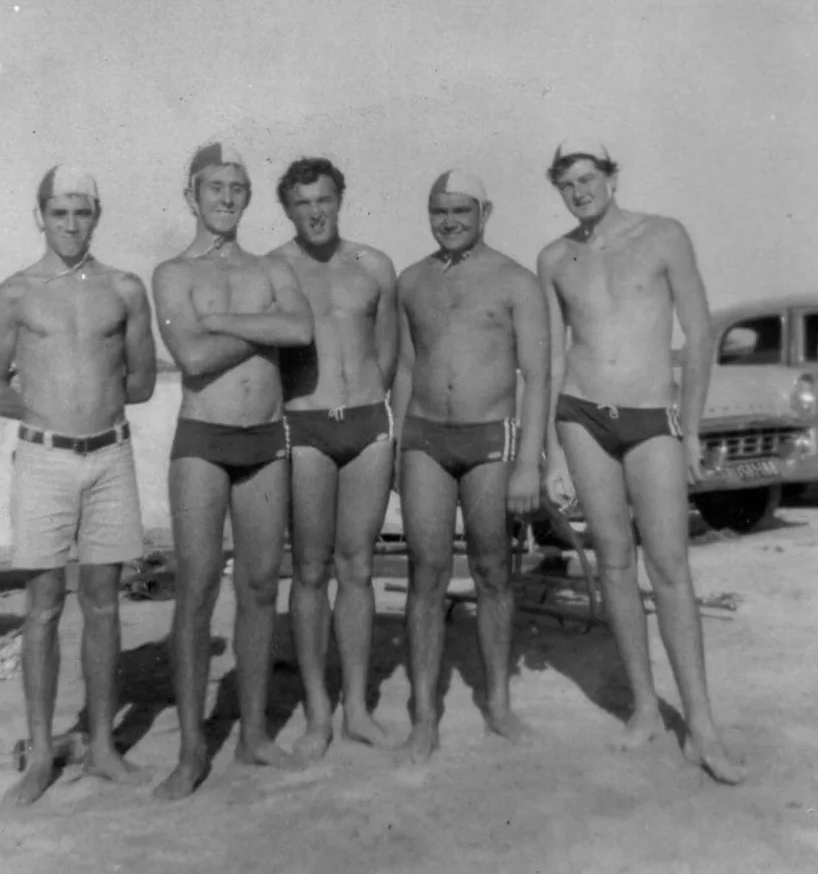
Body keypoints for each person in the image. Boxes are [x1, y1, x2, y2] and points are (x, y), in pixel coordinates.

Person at [538, 138, 746, 785]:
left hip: (651, 414)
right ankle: (643, 708)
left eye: (587, 177)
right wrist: (549, 451)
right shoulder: (554, 257)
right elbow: (548, 357)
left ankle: (703, 725)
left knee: (670, 564)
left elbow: (699, 329)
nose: (578, 190)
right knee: (614, 559)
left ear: (610, 175)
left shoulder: (662, 235)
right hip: (580, 414)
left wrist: (689, 432)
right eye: (566, 183)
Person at [151, 143, 314, 800]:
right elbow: (190, 357)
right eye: (213, 187)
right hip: (203, 441)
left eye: (237, 188)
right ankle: (192, 749)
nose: (225, 198)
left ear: (248, 198)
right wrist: (260, 328)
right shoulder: (171, 273)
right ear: (191, 195)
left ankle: (250, 734)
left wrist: (224, 320)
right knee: (194, 590)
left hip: (264, 438)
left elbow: (301, 329)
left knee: (257, 586)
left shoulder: (269, 267)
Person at [0, 165, 157, 805]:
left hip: (110, 457)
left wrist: (90, 408)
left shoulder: (124, 288)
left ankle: (101, 746)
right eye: (59, 213)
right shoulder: (15, 293)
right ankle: (40, 756)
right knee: (42, 607)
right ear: (40, 215)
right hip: (44, 461)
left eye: (82, 213)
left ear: (97, 216)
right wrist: (48, 414)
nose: (70, 225)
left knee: (103, 603)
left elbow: (143, 382)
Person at [393, 170, 549, 763]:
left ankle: (500, 705)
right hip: (425, 439)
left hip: (491, 437)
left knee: (492, 569)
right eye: (439, 211)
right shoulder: (412, 281)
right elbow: (406, 369)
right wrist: (398, 445)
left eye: (461, 210)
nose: (450, 221)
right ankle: (424, 717)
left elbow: (537, 378)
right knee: (425, 573)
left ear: (486, 210)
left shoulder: (516, 281)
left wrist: (530, 463)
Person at [267, 158, 398, 761]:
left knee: (359, 569)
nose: (315, 212)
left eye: (324, 199)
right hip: (307, 426)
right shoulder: (274, 269)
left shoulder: (374, 266)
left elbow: (390, 354)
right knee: (312, 570)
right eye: (302, 203)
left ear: (341, 199)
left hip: (369, 425)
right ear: (287, 209)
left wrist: (375, 413)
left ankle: (358, 710)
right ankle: (317, 710)